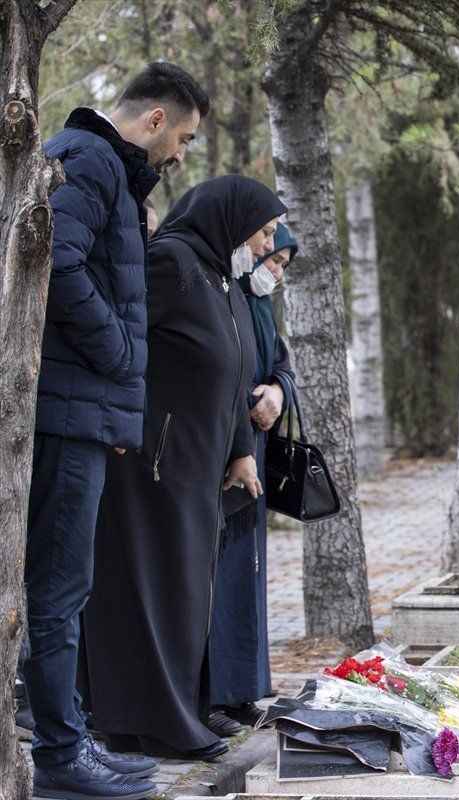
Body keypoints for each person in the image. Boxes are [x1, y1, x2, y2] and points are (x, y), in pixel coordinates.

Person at [28, 62, 207, 800]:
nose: (182, 155)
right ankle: (60, 756)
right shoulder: (92, 160)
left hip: (79, 408)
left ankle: (69, 739)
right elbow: (53, 262)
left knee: (65, 586)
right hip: (69, 409)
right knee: (59, 588)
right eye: (184, 138)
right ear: (155, 120)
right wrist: (120, 353)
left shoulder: (101, 167)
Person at [81, 176, 286, 761]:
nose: (267, 244)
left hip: (197, 465)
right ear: (229, 219)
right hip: (153, 459)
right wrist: (122, 424)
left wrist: (241, 448)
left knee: (186, 594)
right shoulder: (171, 262)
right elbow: (120, 346)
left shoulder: (220, 277)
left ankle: (170, 717)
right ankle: (157, 725)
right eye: (264, 231)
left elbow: (235, 372)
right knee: (156, 593)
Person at [207, 224, 299, 735]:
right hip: (227, 451)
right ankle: (213, 693)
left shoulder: (260, 305)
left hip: (256, 452)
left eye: (284, 264)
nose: (277, 272)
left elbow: (280, 364)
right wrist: (249, 405)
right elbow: (220, 369)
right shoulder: (227, 296)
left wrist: (277, 393)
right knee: (220, 574)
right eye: (274, 259)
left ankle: (244, 688)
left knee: (250, 572)